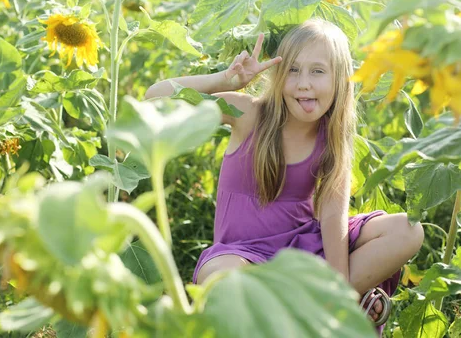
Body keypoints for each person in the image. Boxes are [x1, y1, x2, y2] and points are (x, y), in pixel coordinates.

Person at [144, 18, 425, 332]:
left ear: (340, 80)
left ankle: (331, 309)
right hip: (242, 256)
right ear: (279, 75)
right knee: (223, 280)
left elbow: (333, 217)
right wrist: (225, 79)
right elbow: (156, 97)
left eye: (317, 71)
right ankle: (313, 316)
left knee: (407, 230)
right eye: (293, 70)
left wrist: (339, 287)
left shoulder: (331, 140)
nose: (303, 83)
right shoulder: (249, 115)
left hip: (303, 252)